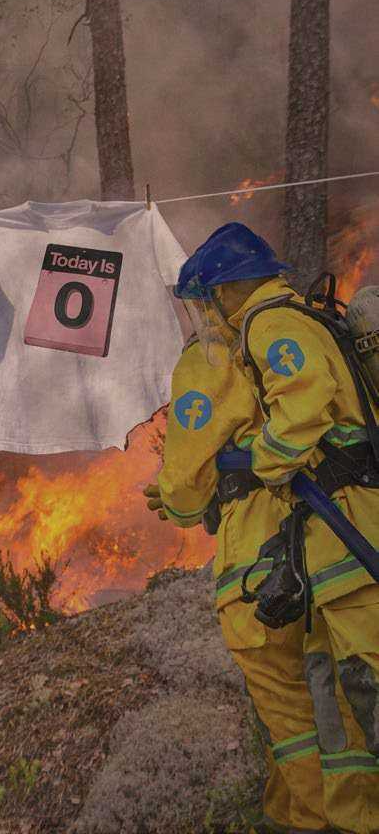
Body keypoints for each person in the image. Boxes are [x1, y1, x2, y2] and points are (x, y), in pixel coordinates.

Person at [170, 221, 379, 834]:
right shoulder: (298, 323)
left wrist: (264, 460)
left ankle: (327, 819)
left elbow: (304, 398)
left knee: (354, 695)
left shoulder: (268, 324)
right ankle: (350, 819)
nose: (207, 316)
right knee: (342, 705)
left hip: (340, 539)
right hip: (323, 550)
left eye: (207, 300)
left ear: (225, 289)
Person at [146, 331, 329, 834]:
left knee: (289, 716)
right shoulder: (307, 336)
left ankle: (317, 820)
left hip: (260, 564)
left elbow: (184, 489)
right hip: (324, 548)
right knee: (325, 702)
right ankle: (284, 816)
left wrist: (177, 494)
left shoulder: (214, 354)